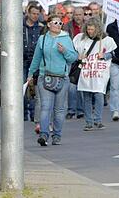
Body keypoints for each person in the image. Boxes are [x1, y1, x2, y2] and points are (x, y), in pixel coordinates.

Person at [26, 14, 78, 146]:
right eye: (55, 22)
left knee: (59, 109)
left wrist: (65, 51)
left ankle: (57, 135)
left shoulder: (66, 38)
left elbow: (73, 57)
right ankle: (44, 134)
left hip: (62, 77)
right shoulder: (42, 39)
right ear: (48, 24)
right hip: (45, 76)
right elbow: (36, 58)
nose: (58, 25)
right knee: (45, 107)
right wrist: (31, 74)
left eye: (60, 23)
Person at [74, 17, 116, 131]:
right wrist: (78, 56)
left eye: (92, 29)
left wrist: (105, 56)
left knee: (98, 95)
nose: (90, 32)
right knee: (87, 96)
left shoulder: (106, 40)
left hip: (99, 73)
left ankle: (98, 120)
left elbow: (114, 53)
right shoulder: (81, 39)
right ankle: (88, 122)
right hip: (86, 72)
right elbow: (74, 51)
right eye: (88, 29)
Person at [23, 2, 45, 122]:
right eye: (33, 13)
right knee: (22, 86)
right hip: (22, 60)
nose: (35, 16)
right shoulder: (20, 26)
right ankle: (23, 113)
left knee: (33, 89)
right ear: (28, 13)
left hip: (35, 61)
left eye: (37, 14)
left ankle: (32, 114)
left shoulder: (41, 27)